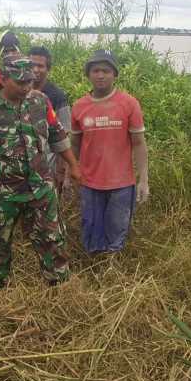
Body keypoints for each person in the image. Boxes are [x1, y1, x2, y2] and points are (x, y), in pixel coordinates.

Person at [0, 57, 81, 289]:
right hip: (2, 191)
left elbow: (57, 135)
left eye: (30, 81)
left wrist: (73, 166)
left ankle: (58, 284)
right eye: (20, 82)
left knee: (52, 238)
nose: (27, 87)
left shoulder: (40, 100)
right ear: (3, 80)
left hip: (40, 188)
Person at [70, 49, 149, 255]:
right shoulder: (79, 106)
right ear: (88, 75)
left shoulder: (129, 103)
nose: (101, 75)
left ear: (115, 74)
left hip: (121, 184)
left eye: (106, 70)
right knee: (91, 232)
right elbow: (75, 144)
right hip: (89, 182)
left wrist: (143, 180)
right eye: (95, 70)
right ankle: (95, 272)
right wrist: (69, 173)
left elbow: (139, 143)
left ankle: (113, 272)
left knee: (117, 233)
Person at [28, 45, 72, 190]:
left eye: (40, 66)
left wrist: (61, 171)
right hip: (21, 169)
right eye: (32, 65)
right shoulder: (18, 92)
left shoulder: (57, 96)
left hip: (48, 169)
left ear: (48, 69)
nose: (35, 70)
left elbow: (64, 135)